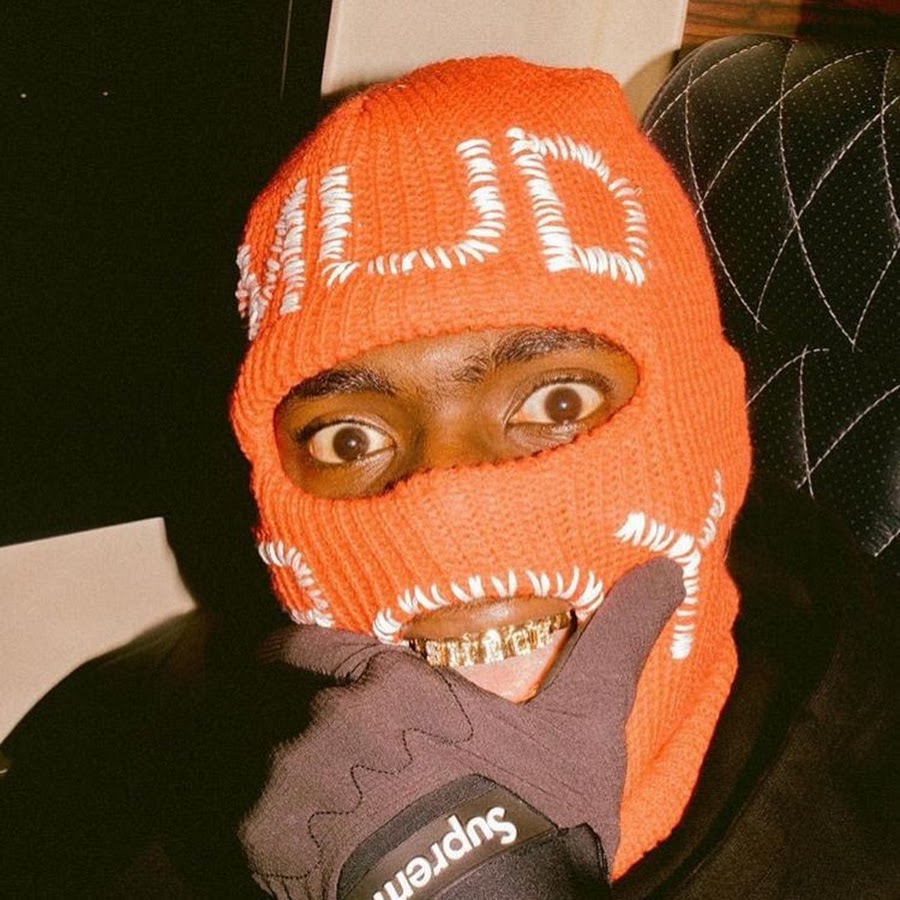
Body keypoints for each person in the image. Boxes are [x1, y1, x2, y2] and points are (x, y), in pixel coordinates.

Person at [1, 57, 897, 899]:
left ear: (703, 419)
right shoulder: (146, 759)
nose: (446, 509)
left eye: (555, 401)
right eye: (350, 438)